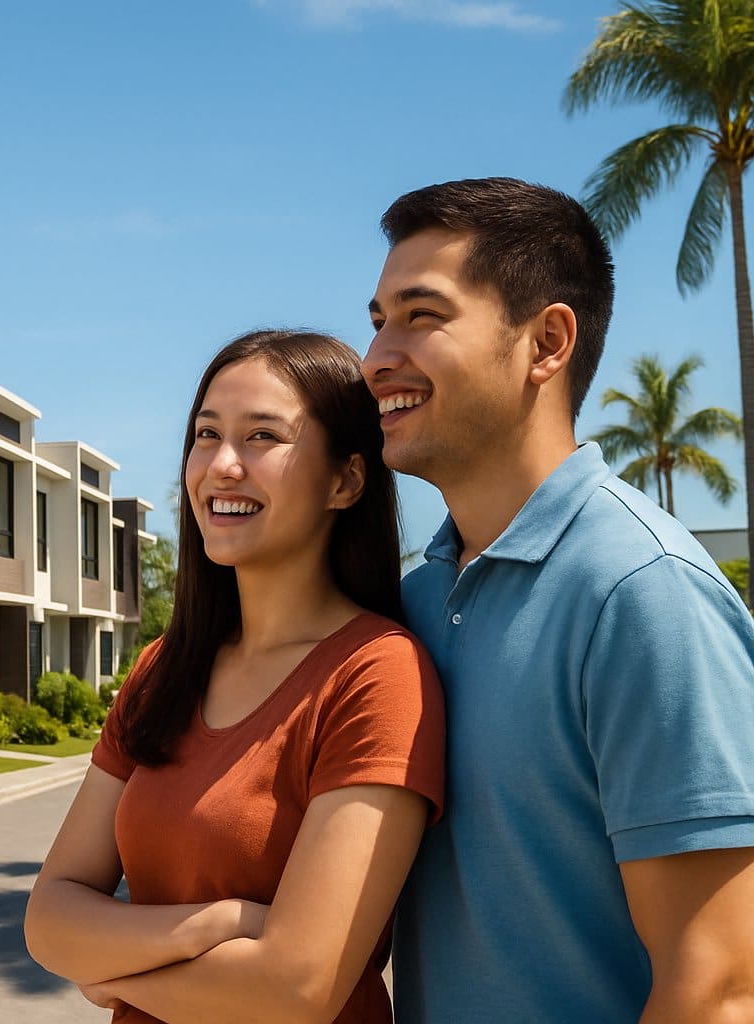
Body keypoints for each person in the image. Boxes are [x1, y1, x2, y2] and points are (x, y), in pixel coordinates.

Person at [365, 177, 754, 1022]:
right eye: (377, 320)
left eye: (421, 316)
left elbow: (719, 988)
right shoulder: (417, 599)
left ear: (546, 342)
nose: (376, 359)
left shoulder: (645, 595)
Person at [23, 329, 445, 1023]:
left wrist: (115, 975)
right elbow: (49, 917)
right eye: (205, 434)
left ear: (346, 479)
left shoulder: (375, 674)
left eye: (262, 438)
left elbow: (294, 990)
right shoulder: (165, 668)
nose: (221, 465)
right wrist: (213, 924)